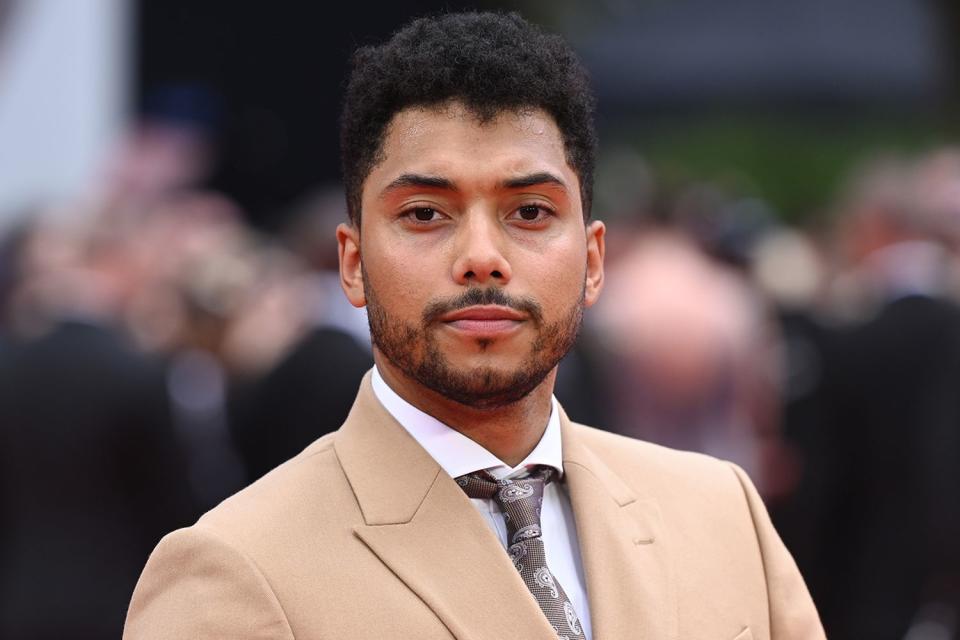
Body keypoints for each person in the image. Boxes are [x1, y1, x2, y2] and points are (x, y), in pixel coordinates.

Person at [124, 12, 823, 639]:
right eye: (426, 213)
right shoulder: (234, 570)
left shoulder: (721, 515)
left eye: (530, 213)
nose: (482, 259)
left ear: (592, 258)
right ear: (354, 261)